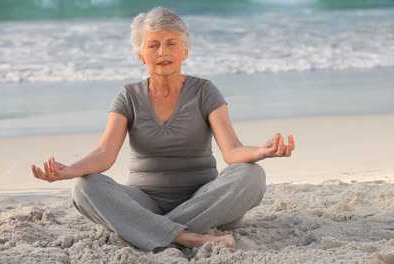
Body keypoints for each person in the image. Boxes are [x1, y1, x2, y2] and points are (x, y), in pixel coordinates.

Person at [31, 6, 295, 252]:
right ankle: (186, 236)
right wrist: (69, 171)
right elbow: (104, 154)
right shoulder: (128, 96)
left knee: (251, 175)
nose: (163, 52)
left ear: (185, 51)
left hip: (206, 201)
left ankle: (149, 229)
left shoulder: (205, 91)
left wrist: (262, 151)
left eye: (171, 44)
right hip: (143, 202)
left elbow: (233, 150)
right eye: (153, 45)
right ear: (140, 55)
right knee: (84, 188)